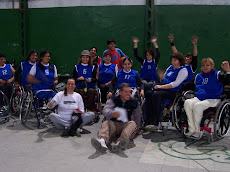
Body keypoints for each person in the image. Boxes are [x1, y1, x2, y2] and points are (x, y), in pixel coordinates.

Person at [184, 59, 230, 138]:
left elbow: (228, 81)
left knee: (198, 106)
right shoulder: (199, 76)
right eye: (203, 65)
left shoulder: (218, 74)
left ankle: (198, 131)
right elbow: (188, 85)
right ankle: (192, 129)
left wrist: (228, 71)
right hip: (200, 97)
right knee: (187, 102)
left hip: (213, 99)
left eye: (207, 65)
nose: (205, 67)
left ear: (212, 66)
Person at [91, 83, 142, 153]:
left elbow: (138, 115)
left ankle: (120, 143)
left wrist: (138, 128)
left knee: (133, 123)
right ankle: (102, 141)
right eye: (126, 92)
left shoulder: (134, 102)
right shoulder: (114, 100)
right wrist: (112, 113)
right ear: (120, 92)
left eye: (129, 92)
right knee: (106, 123)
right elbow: (105, 110)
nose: (128, 94)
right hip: (114, 124)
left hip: (125, 125)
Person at [145, 52, 188, 126]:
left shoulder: (183, 70)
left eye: (175, 60)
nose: (173, 62)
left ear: (180, 61)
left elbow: (175, 84)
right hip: (164, 88)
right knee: (148, 93)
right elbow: (164, 79)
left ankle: (156, 120)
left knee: (156, 95)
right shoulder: (170, 67)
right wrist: (162, 78)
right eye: (172, 60)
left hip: (174, 92)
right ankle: (148, 119)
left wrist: (161, 87)